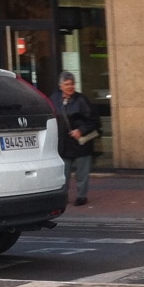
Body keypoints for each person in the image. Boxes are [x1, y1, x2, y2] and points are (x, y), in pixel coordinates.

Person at [51, 71, 99, 206]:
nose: (70, 87)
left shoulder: (82, 100)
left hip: (81, 143)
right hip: (63, 144)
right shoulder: (54, 99)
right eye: (66, 84)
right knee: (63, 173)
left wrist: (81, 130)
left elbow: (94, 121)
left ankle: (81, 196)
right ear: (60, 86)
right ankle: (63, 196)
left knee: (82, 173)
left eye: (72, 84)